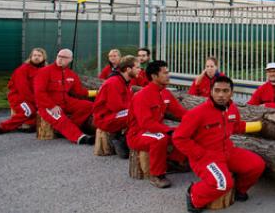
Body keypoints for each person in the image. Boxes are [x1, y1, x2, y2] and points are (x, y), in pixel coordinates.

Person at [173, 75, 265, 212]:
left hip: (228, 151)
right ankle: (194, 195)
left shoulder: (232, 109)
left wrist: (257, 126)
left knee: (257, 165)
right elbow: (179, 138)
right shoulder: (197, 113)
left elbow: (236, 126)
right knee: (222, 184)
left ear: (231, 93)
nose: (221, 95)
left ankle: (239, 190)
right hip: (205, 157)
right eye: (217, 90)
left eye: (225, 91)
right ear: (211, 92)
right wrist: (200, 154)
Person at [127, 60, 190, 188]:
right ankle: (156, 175)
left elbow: (181, 112)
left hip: (155, 130)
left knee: (185, 130)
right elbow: (146, 123)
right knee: (160, 139)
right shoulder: (141, 96)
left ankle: (174, 162)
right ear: (154, 76)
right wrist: (169, 130)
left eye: (168, 72)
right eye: (165, 73)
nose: (168, 75)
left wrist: (198, 119)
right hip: (138, 134)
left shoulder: (165, 93)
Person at [33, 49, 95, 145]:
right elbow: (39, 92)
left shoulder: (71, 74)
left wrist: (97, 92)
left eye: (64, 57)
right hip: (48, 104)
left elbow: (79, 91)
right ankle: (81, 138)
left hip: (66, 101)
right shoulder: (44, 71)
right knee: (61, 119)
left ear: (70, 59)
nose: (60, 59)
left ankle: (69, 128)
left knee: (90, 105)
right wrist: (51, 106)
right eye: (59, 56)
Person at [92, 55, 139, 158]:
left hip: (114, 114)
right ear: (128, 69)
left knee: (139, 113)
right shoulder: (114, 82)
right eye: (137, 67)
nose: (140, 70)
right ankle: (122, 141)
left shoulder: (125, 81)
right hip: (105, 118)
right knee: (136, 115)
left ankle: (124, 140)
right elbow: (116, 106)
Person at [0, 48, 48, 135]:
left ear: (44, 58)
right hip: (19, 96)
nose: (36, 57)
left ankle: (28, 125)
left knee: (45, 109)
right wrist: (36, 101)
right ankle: (2, 127)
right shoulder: (23, 69)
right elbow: (23, 89)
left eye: (39, 55)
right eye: (34, 55)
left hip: (34, 98)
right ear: (30, 57)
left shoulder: (45, 70)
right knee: (28, 111)